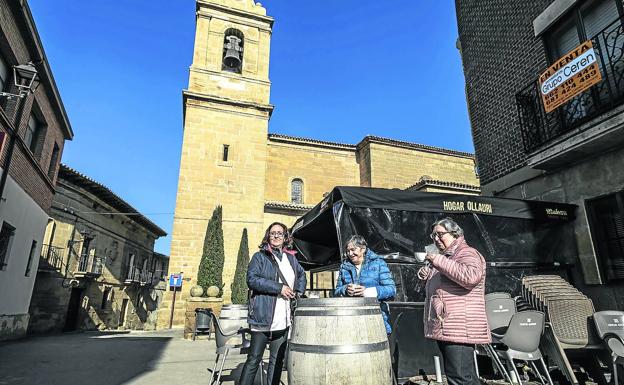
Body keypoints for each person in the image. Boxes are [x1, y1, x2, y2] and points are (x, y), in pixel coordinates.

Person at [418, 217, 490, 385]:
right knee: (466, 377)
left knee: (459, 378)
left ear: (455, 234)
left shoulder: (467, 252)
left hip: (459, 324)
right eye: (433, 236)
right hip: (448, 324)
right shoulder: (448, 255)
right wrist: (427, 277)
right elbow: (447, 282)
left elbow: (471, 277)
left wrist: (437, 260)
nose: (436, 239)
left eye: (440, 234)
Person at [239, 222, 306, 385]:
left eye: (280, 233)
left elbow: (302, 275)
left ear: (285, 237)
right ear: (268, 236)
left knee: (277, 361)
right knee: (254, 359)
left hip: (283, 319)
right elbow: (252, 280)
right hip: (263, 317)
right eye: (273, 233)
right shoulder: (260, 256)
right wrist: (279, 288)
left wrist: (298, 291)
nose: (276, 236)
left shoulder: (291, 258)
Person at [334, 235, 396, 334]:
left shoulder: (379, 264)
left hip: (376, 317)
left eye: (353, 250)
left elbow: (391, 290)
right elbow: (336, 291)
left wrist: (367, 292)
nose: (350, 254)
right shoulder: (344, 266)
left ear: (363, 249)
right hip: (350, 318)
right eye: (348, 251)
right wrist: (345, 290)